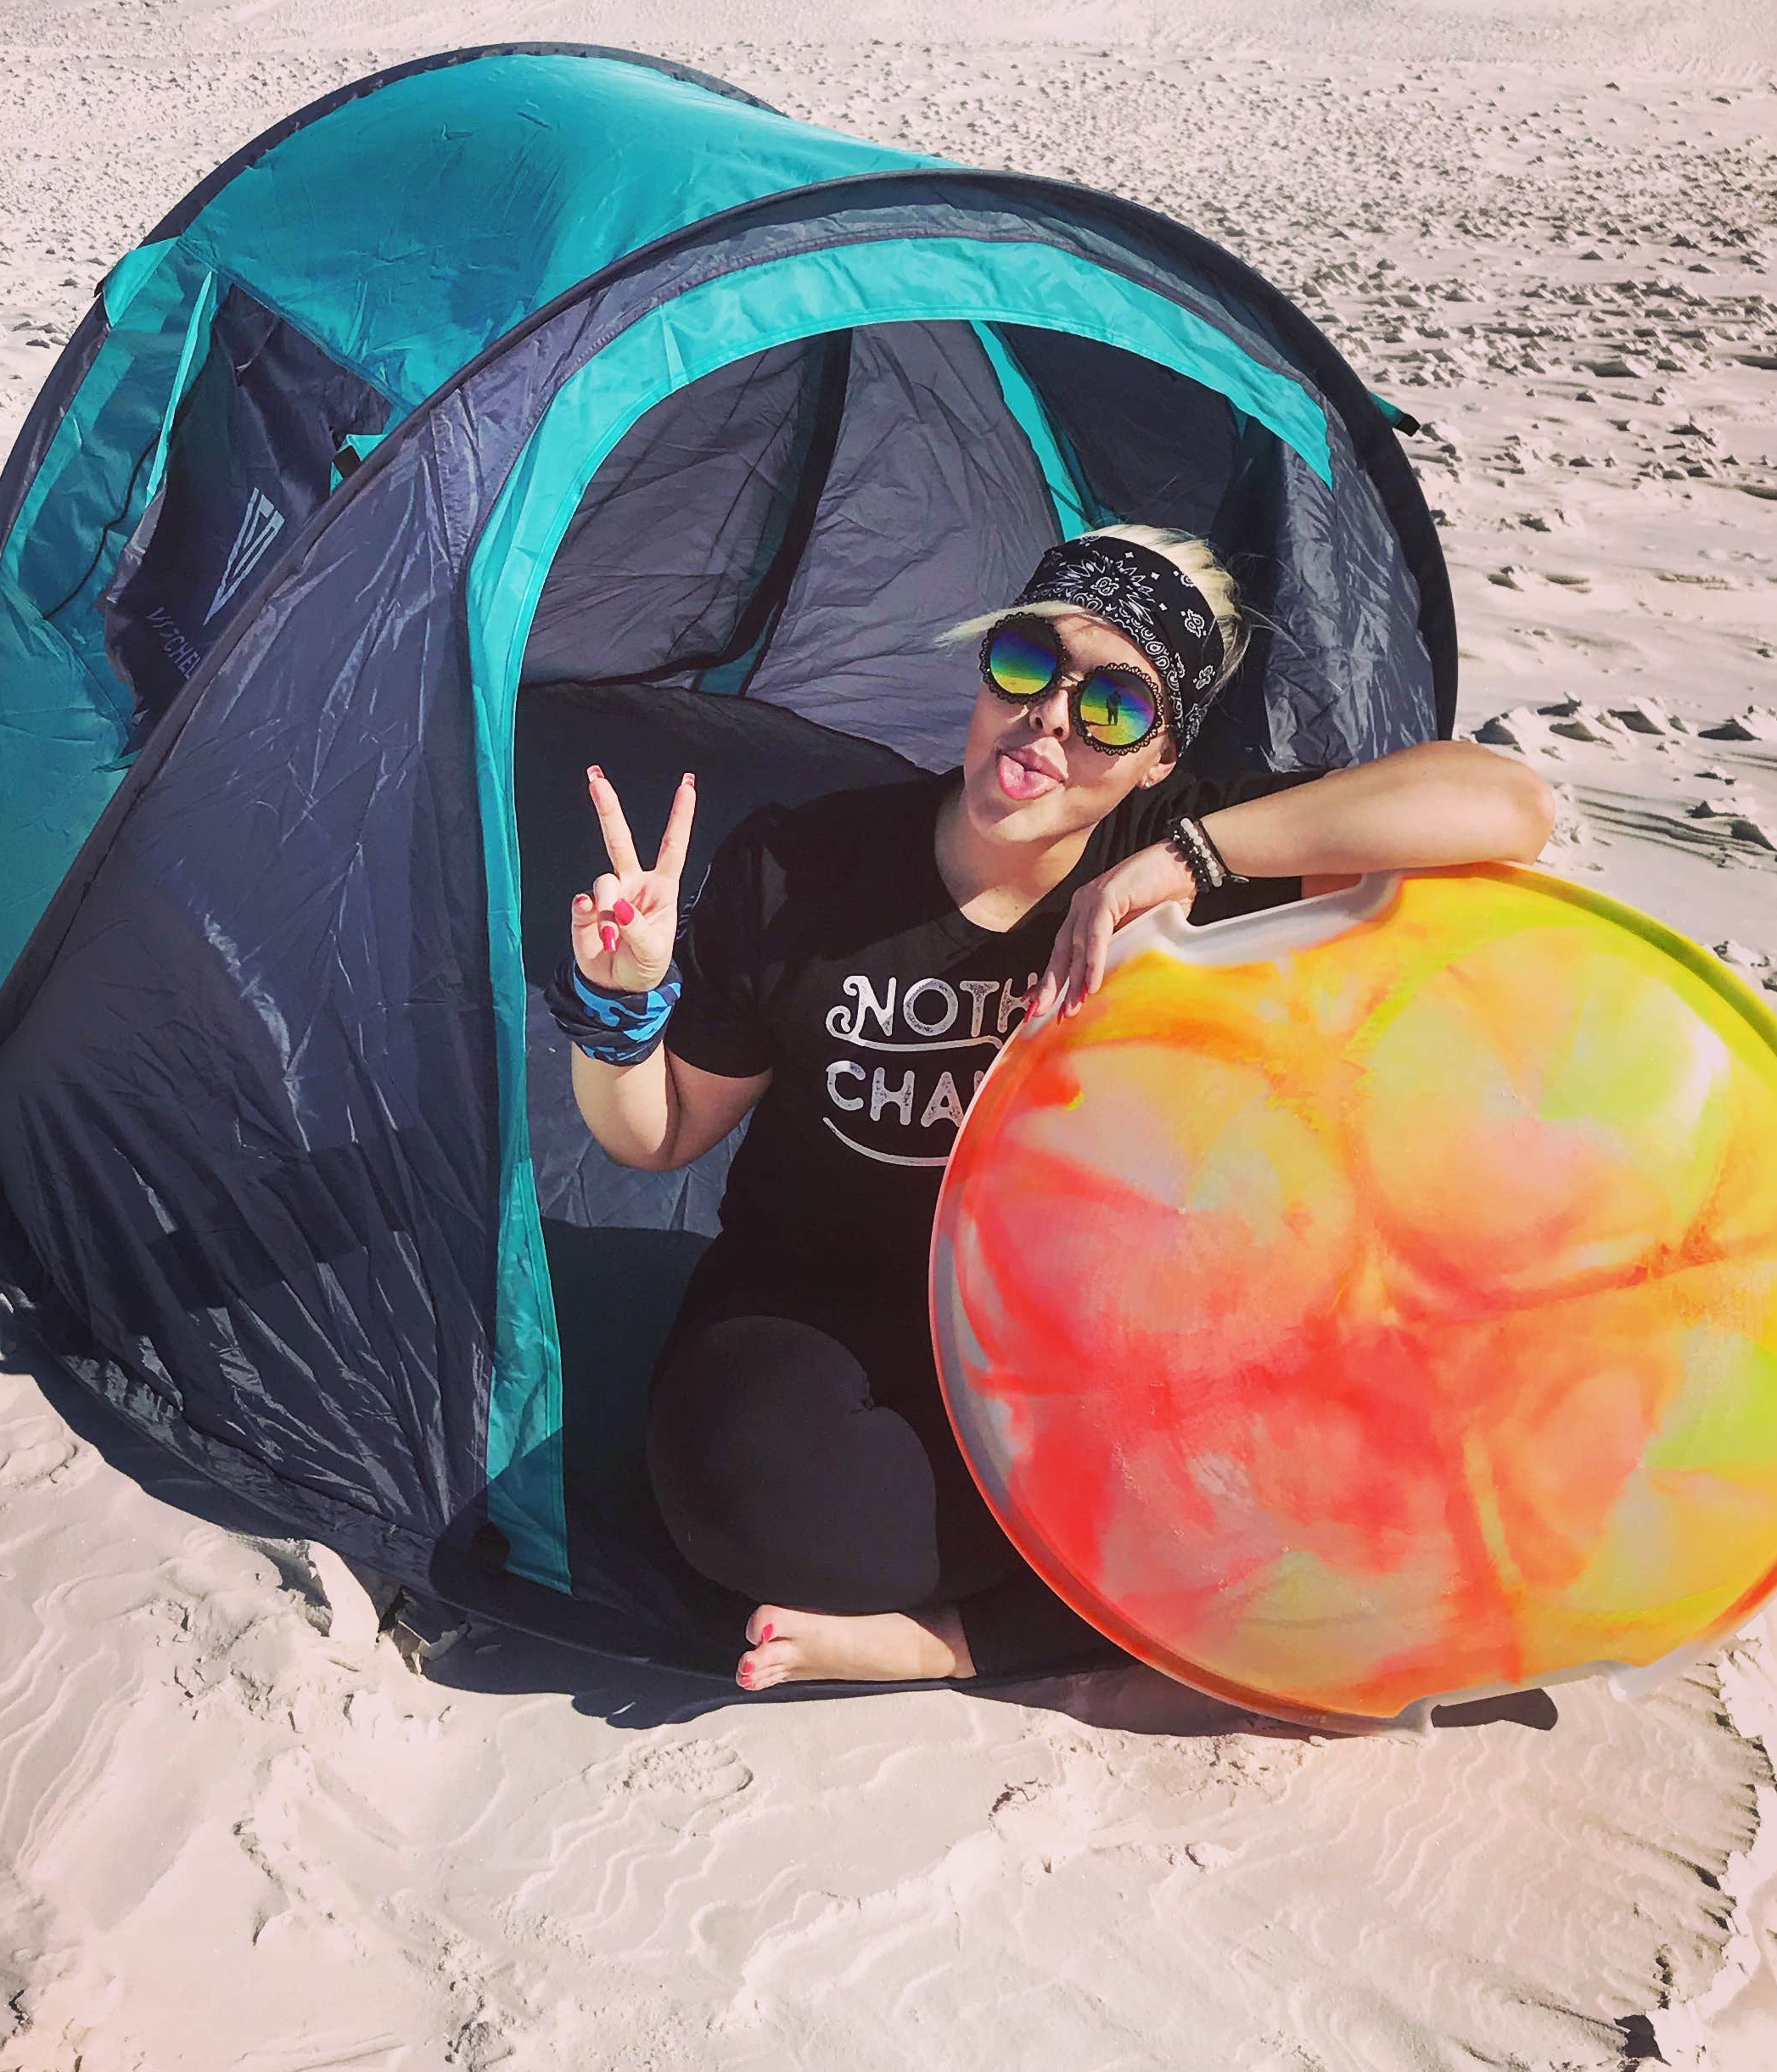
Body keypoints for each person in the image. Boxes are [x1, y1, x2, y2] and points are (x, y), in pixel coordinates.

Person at [554, 524, 1556, 1691]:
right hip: (818, 1301)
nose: (1052, 722)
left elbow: (1506, 804)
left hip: (1085, 1327)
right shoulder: (803, 866)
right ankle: (1080, 1601)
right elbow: (660, 1132)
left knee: (1332, 1474)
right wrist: (617, 1007)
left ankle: (953, 1643)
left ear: (1160, 756)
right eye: (1029, 665)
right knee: (751, 1514)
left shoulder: (1189, 855)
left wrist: (1176, 865)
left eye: (1115, 708)